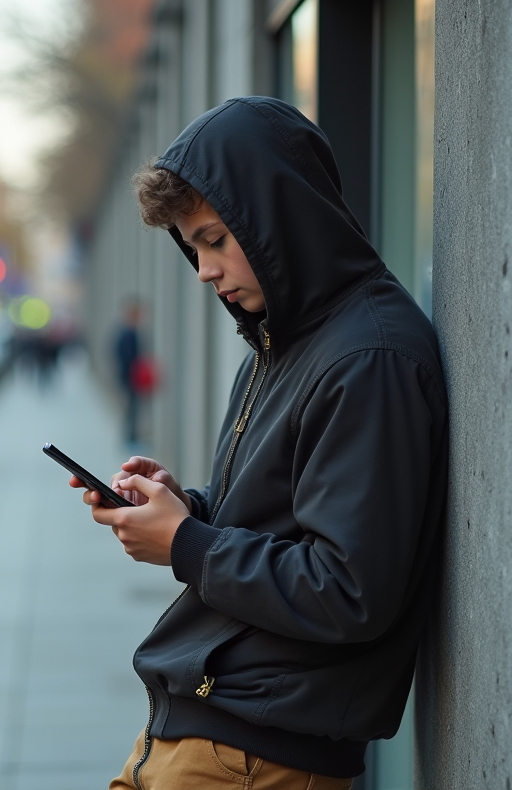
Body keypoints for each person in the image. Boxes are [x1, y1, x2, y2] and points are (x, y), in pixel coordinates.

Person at [70, 98, 448, 789]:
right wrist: (187, 507)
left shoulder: (370, 357)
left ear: (282, 216)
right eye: (192, 248)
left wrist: (186, 543)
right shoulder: (281, 345)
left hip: (254, 756)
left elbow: (349, 590)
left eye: (215, 239)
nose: (205, 269)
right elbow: (282, 520)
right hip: (199, 731)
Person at [113, 300, 143, 445]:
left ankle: (131, 436)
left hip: (130, 376)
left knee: (132, 408)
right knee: (131, 408)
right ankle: (130, 437)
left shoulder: (128, 332)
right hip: (130, 377)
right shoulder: (128, 334)